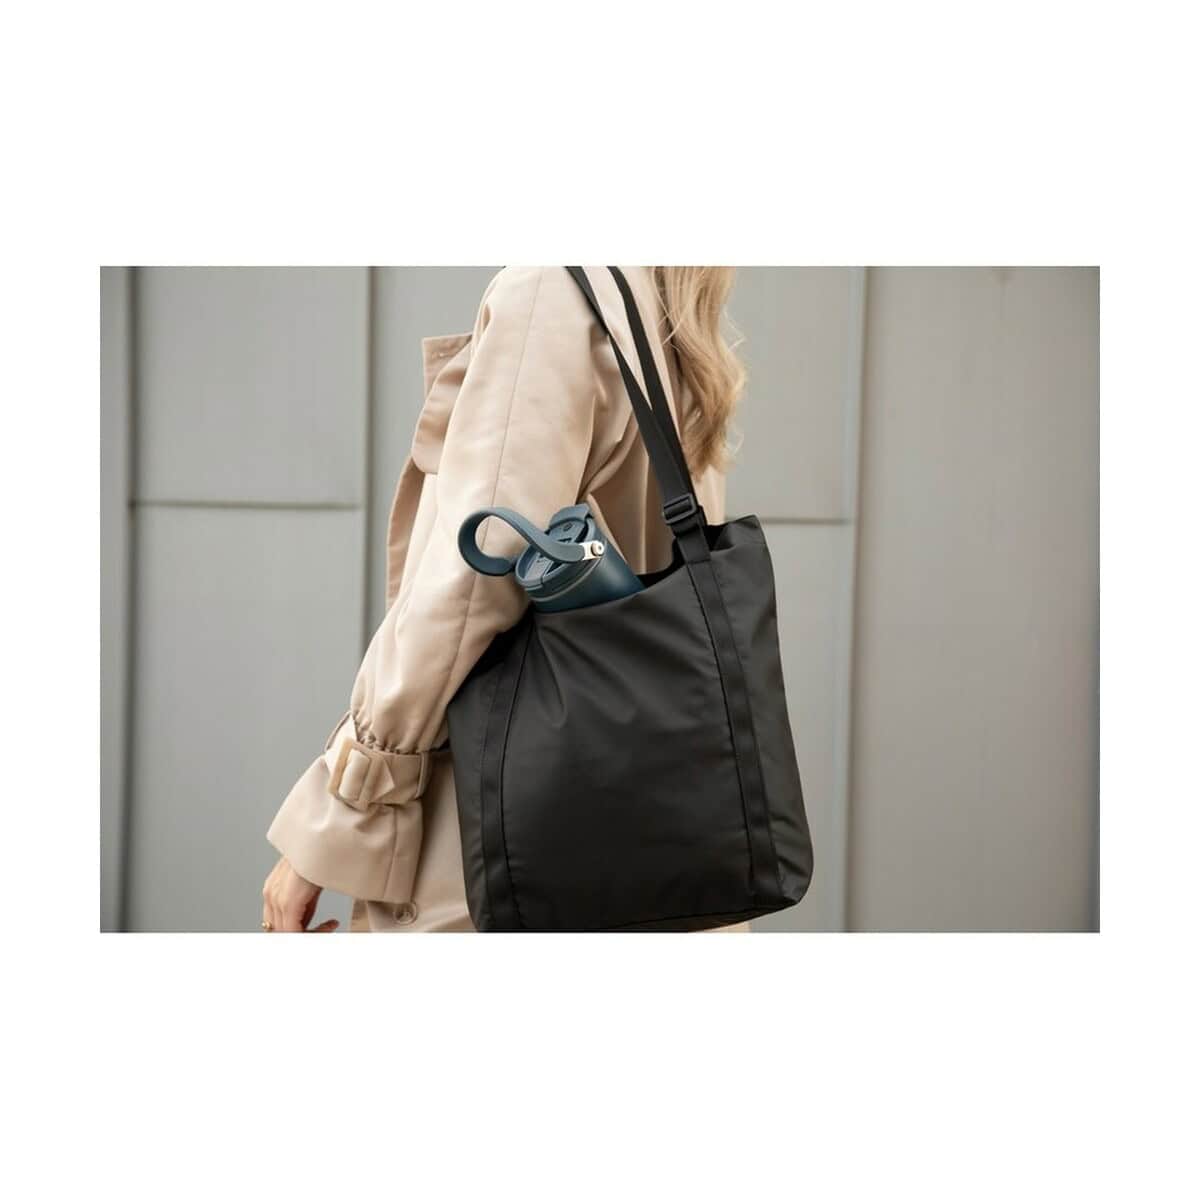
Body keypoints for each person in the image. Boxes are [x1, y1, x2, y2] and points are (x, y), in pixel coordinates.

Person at [261, 265, 746, 932]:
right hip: (652, 854)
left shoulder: (551, 290)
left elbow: (467, 588)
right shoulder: (664, 302)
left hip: (502, 856)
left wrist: (340, 817)